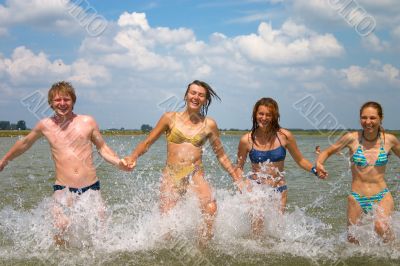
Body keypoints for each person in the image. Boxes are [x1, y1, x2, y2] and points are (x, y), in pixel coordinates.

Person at [0, 81, 129, 246]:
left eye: (66, 99)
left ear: (73, 101)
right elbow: (24, 143)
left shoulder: (87, 122)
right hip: (63, 189)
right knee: (60, 227)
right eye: (57, 100)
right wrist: (4, 160)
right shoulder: (45, 125)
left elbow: (102, 148)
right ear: (51, 103)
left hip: (91, 188)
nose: (62, 104)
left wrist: (119, 163)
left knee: (100, 230)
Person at [124, 80, 242, 245]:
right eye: (193, 93)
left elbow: (221, 155)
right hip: (173, 173)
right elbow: (147, 142)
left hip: (195, 173)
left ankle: (203, 248)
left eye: (201, 95)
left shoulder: (210, 124)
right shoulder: (169, 118)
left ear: (205, 100)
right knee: (167, 222)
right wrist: (133, 157)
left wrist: (237, 177)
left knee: (210, 209)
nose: (196, 97)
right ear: (186, 96)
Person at [236, 97, 326, 235]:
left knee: (275, 231)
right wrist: (243, 187)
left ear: (274, 116)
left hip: (279, 189)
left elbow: (300, 160)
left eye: (268, 115)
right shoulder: (246, 140)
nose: (264, 118)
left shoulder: (284, 136)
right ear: (255, 114)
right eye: (261, 114)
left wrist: (315, 170)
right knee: (257, 227)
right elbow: (238, 169)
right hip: (257, 189)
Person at [316, 101, 400, 244]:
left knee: (381, 227)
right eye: (364, 117)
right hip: (357, 197)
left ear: (381, 118)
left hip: (382, 195)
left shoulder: (389, 140)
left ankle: (395, 251)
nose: (368, 122)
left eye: (372, 118)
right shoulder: (351, 138)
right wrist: (319, 164)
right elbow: (328, 151)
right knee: (352, 240)